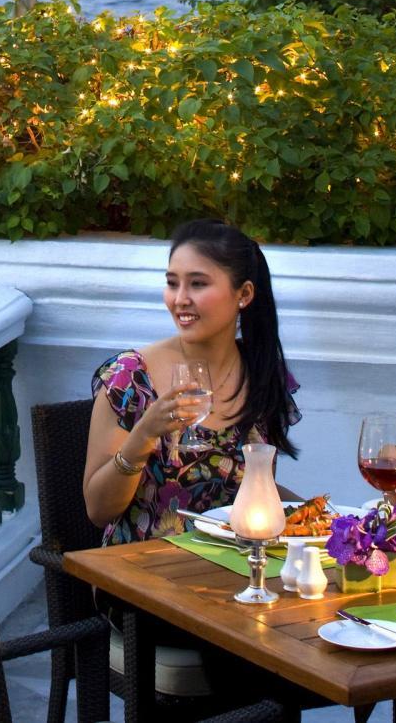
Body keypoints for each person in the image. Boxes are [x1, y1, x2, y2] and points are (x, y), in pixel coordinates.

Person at [85, 220, 299, 543]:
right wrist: (143, 435)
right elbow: (98, 510)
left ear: (244, 294)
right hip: (140, 575)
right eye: (173, 284)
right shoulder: (130, 377)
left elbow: (257, 493)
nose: (180, 299)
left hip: (232, 570)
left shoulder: (259, 373)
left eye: (197, 284)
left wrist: (326, 515)